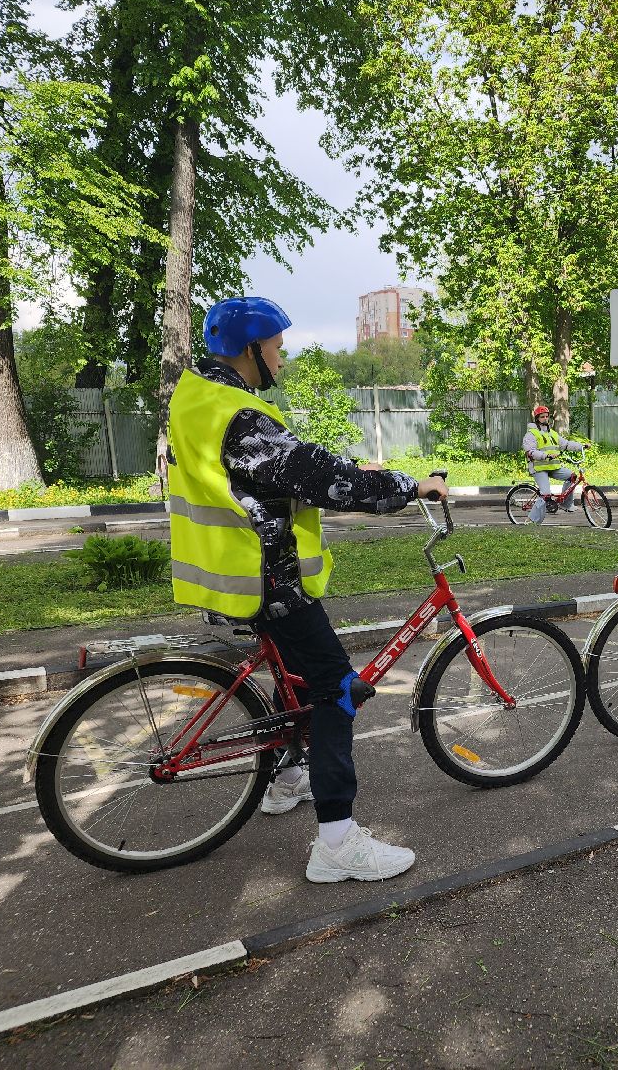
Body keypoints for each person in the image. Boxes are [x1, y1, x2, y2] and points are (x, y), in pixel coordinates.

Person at [167, 296, 448, 884]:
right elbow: (323, 477)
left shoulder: (194, 399)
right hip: (267, 579)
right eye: (277, 346)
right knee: (338, 693)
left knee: (292, 684)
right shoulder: (239, 417)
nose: (283, 355)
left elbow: (283, 472)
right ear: (251, 350)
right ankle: (337, 845)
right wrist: (411, 485)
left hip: (227, 571)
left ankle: (286, 778)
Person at [522, 404, 587, 524]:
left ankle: (566, 504)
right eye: (542, 417)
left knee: (572, 476)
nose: (545, 419)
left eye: (547, 416)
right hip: (539, 468)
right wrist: (545, 455)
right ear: (537, 418)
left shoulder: (552, 433)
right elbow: (530, 452)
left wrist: (581, 446)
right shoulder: (531, 435)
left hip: (553, 466)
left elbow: (566, 444)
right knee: (545, 495)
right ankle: (531, 520)